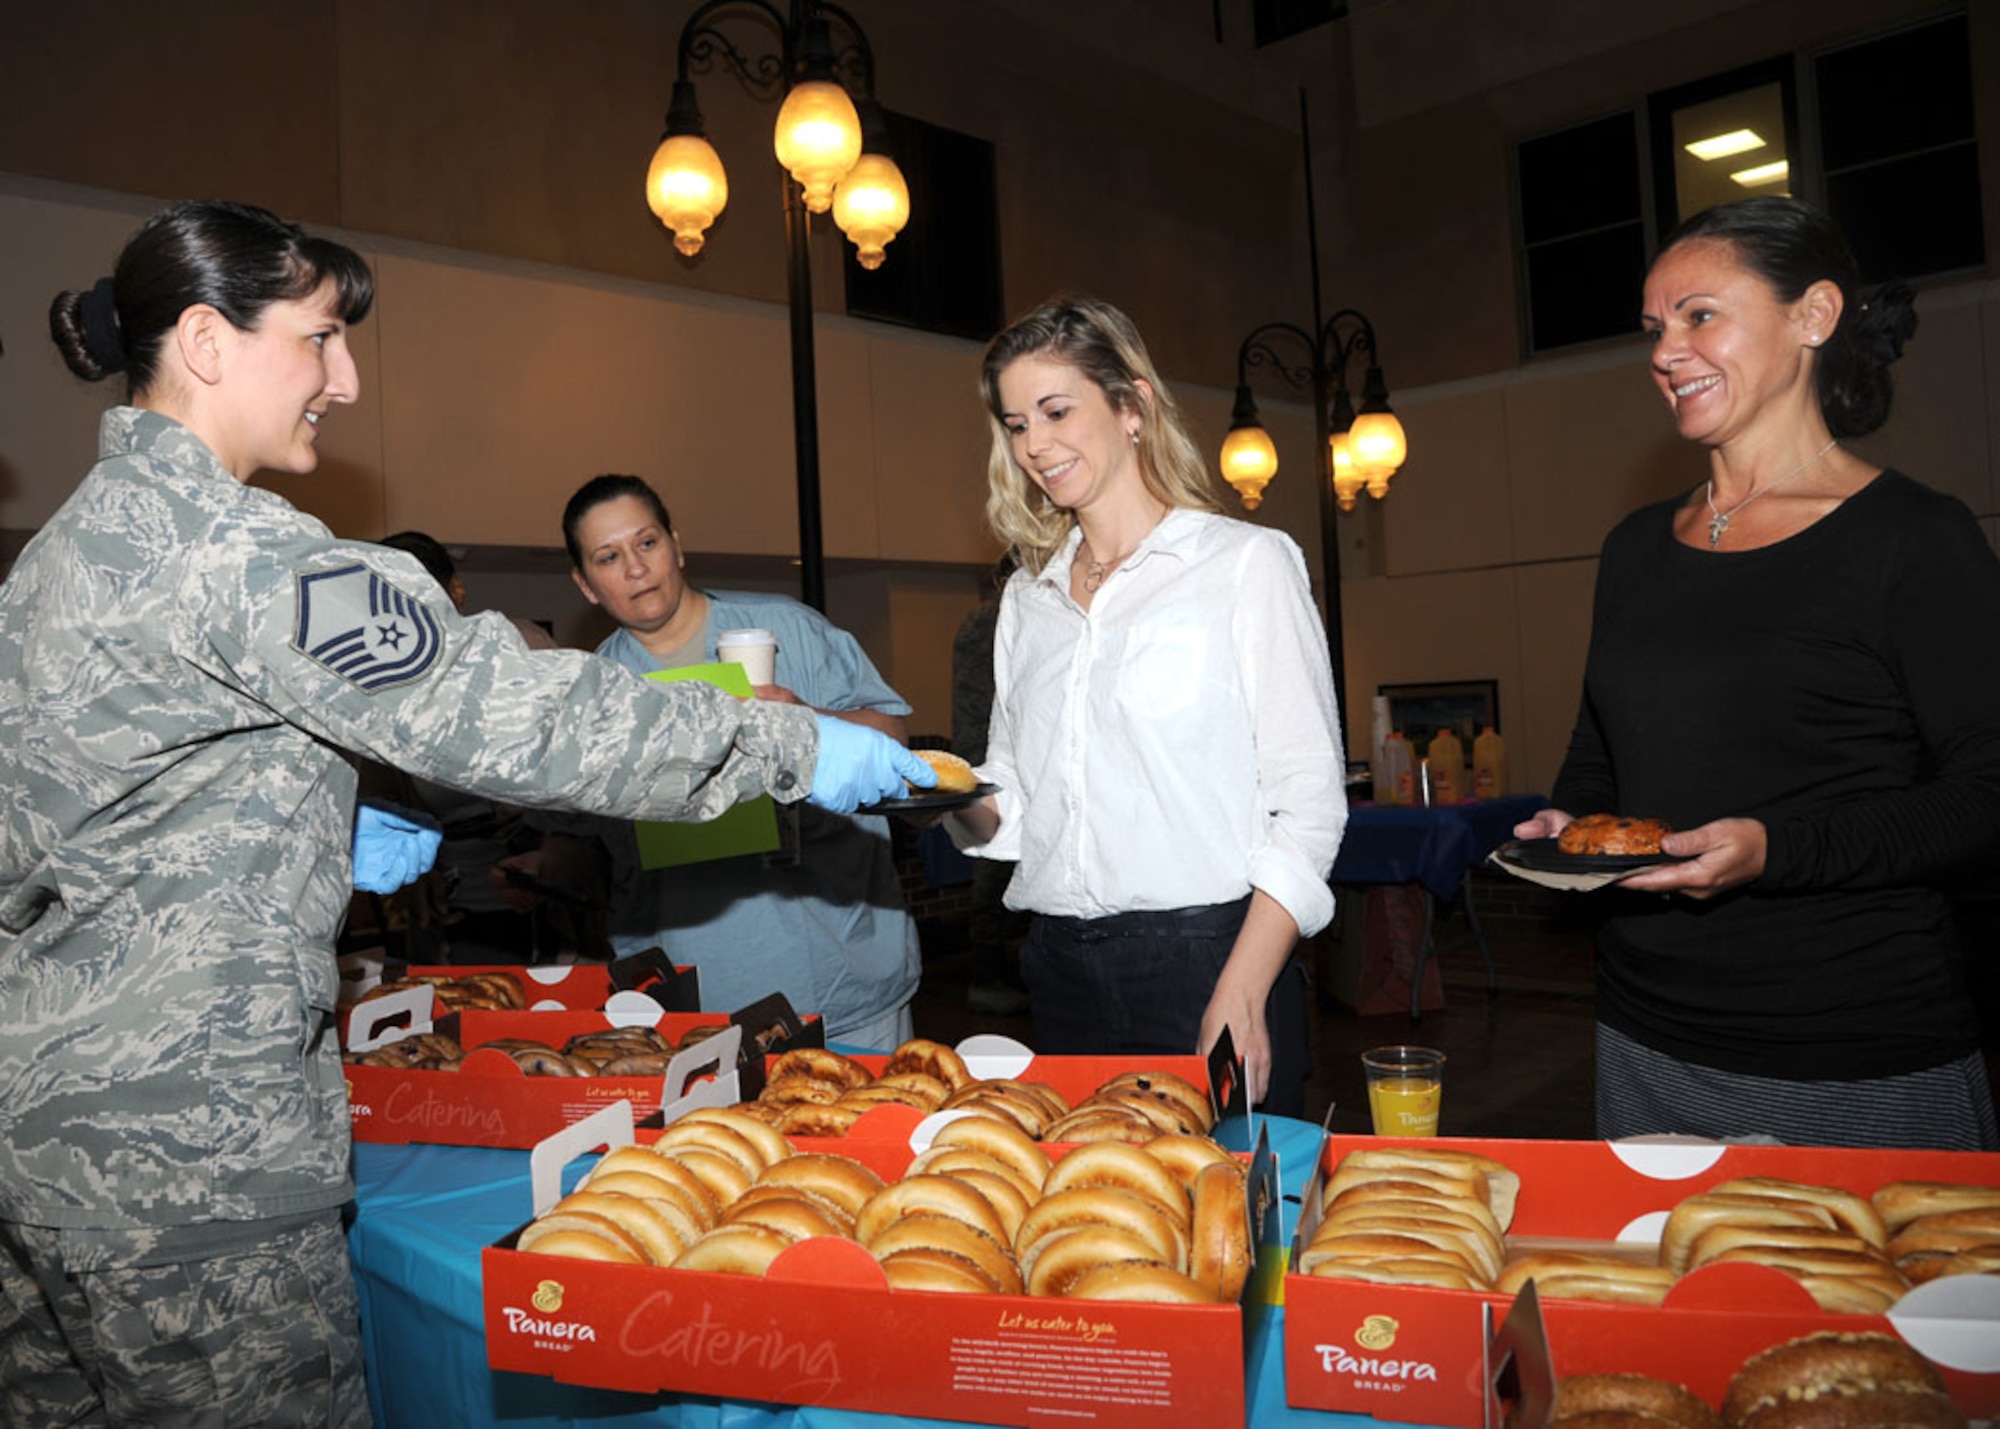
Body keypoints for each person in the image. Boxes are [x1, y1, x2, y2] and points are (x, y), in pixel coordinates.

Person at [0, 200, 930, 1428]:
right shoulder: (238, 551)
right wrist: (786, 743)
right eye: (322, 337)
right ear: (208, 341)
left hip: (48, 1141)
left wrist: (326, 822)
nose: (344, 376)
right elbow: (515, 709)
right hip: (196, 1169)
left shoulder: (60, 557)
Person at [1516, 195, 2000, 1150]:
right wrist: (1574, 827)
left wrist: (1776, 849)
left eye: (1701, 315)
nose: (1665, 350)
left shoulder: (1915, 538)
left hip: (1854, 1052)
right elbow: (1602, 751)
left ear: (1813, 316)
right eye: (1656, 327)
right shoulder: (1634, 547)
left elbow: (1987, 792)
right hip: (1644, 1040)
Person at [944, 296, 1346, 1116]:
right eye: (1016, 424)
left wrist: (1244, 983)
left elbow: (1308, 805)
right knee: (1102, 1228)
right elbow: (1016, 807)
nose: (1035, 445)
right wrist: (938, 797)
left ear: (1132, 406)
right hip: (1058, 968)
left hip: (1213, 958)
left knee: (1237, 1228)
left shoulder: (1245, 564)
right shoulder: (1027, 597)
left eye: (1056, 411)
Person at [553, 473, 924, 1050]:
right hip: (703, 1002)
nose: (635, 568)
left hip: (843, 977)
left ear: (676, 544)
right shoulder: (598, 691)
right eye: (609, 556)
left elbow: (895, 740)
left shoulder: (787, 632)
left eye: (646, 543)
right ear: (586, 583)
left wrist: (808, 721)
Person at [950, 554, 1031, 1015]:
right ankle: (989, 976)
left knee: (997, 875)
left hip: (980, 750)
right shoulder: (994, 619)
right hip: (990, 758)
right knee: (994, 873)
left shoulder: (980, 620)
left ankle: (995, 971)